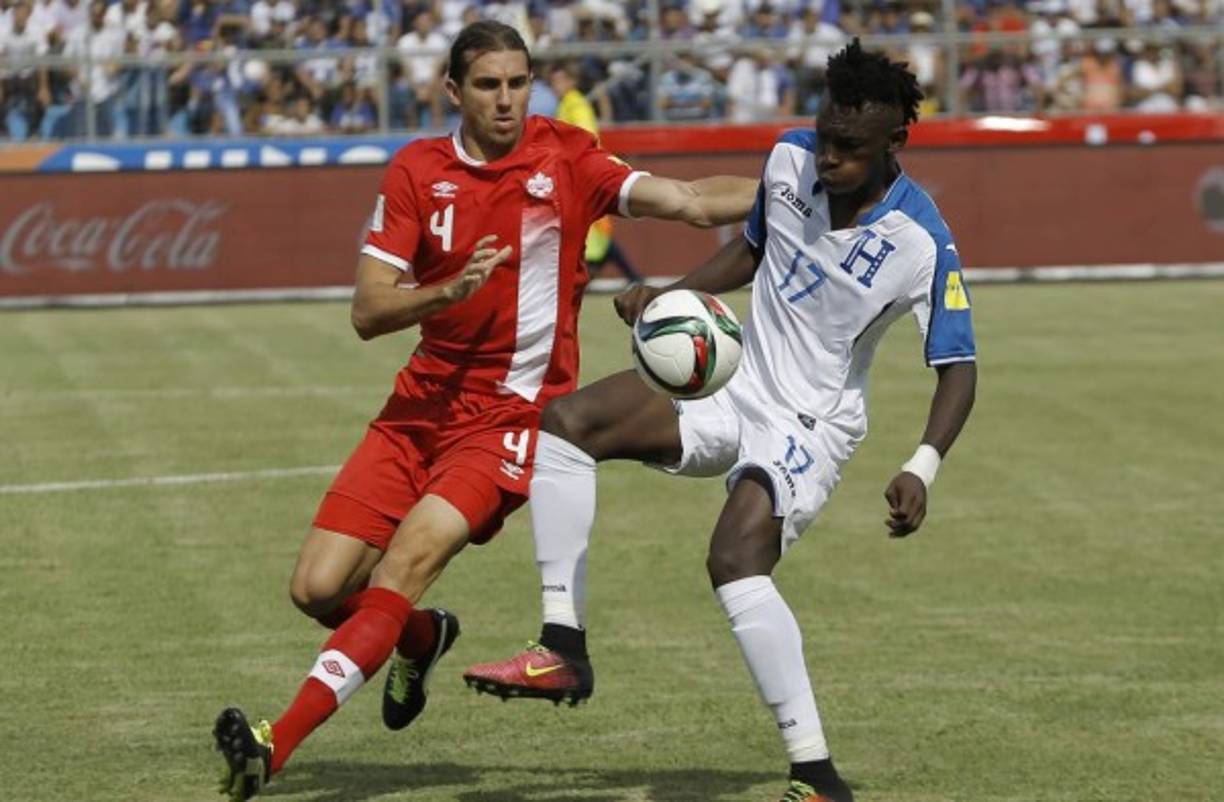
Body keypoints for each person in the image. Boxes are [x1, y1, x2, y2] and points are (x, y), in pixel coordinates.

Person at [211, 20, 758, 802]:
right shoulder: (416, 172)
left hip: (506, 422)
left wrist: (803, 186)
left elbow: (694, 201)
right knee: (317, 590)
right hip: (417, 405)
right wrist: (446, 291)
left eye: (517, 82)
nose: (507, 100)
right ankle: (423, 635)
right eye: (489, 85)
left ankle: (274, 742)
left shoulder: (568, 154)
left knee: (405, 563)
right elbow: (368, 311)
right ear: (453, 92)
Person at [463, 40, 978, 802]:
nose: (827, 157)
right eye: (823, 134)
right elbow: (751, 251)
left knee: (734, 562)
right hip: (734, 382)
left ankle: (816, 776)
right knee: (568, 423)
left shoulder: (921, 242)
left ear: (894, 142)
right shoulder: (788, 161)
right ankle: (562, 644)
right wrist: (668, 299)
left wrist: (922, 464)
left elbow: (959, 368)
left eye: (849, 148)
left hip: (809, 425)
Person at [547, 58, 643, 283]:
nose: (554, 86)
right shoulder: (569, 103)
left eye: (558, 81)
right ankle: (632, 276)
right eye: (552, 82)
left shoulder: (575, 104)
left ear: (571, 82)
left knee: (592, 228)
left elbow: (586, 138)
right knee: (596, 230)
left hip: (581, 174)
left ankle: (629, 276)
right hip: (580, 173)